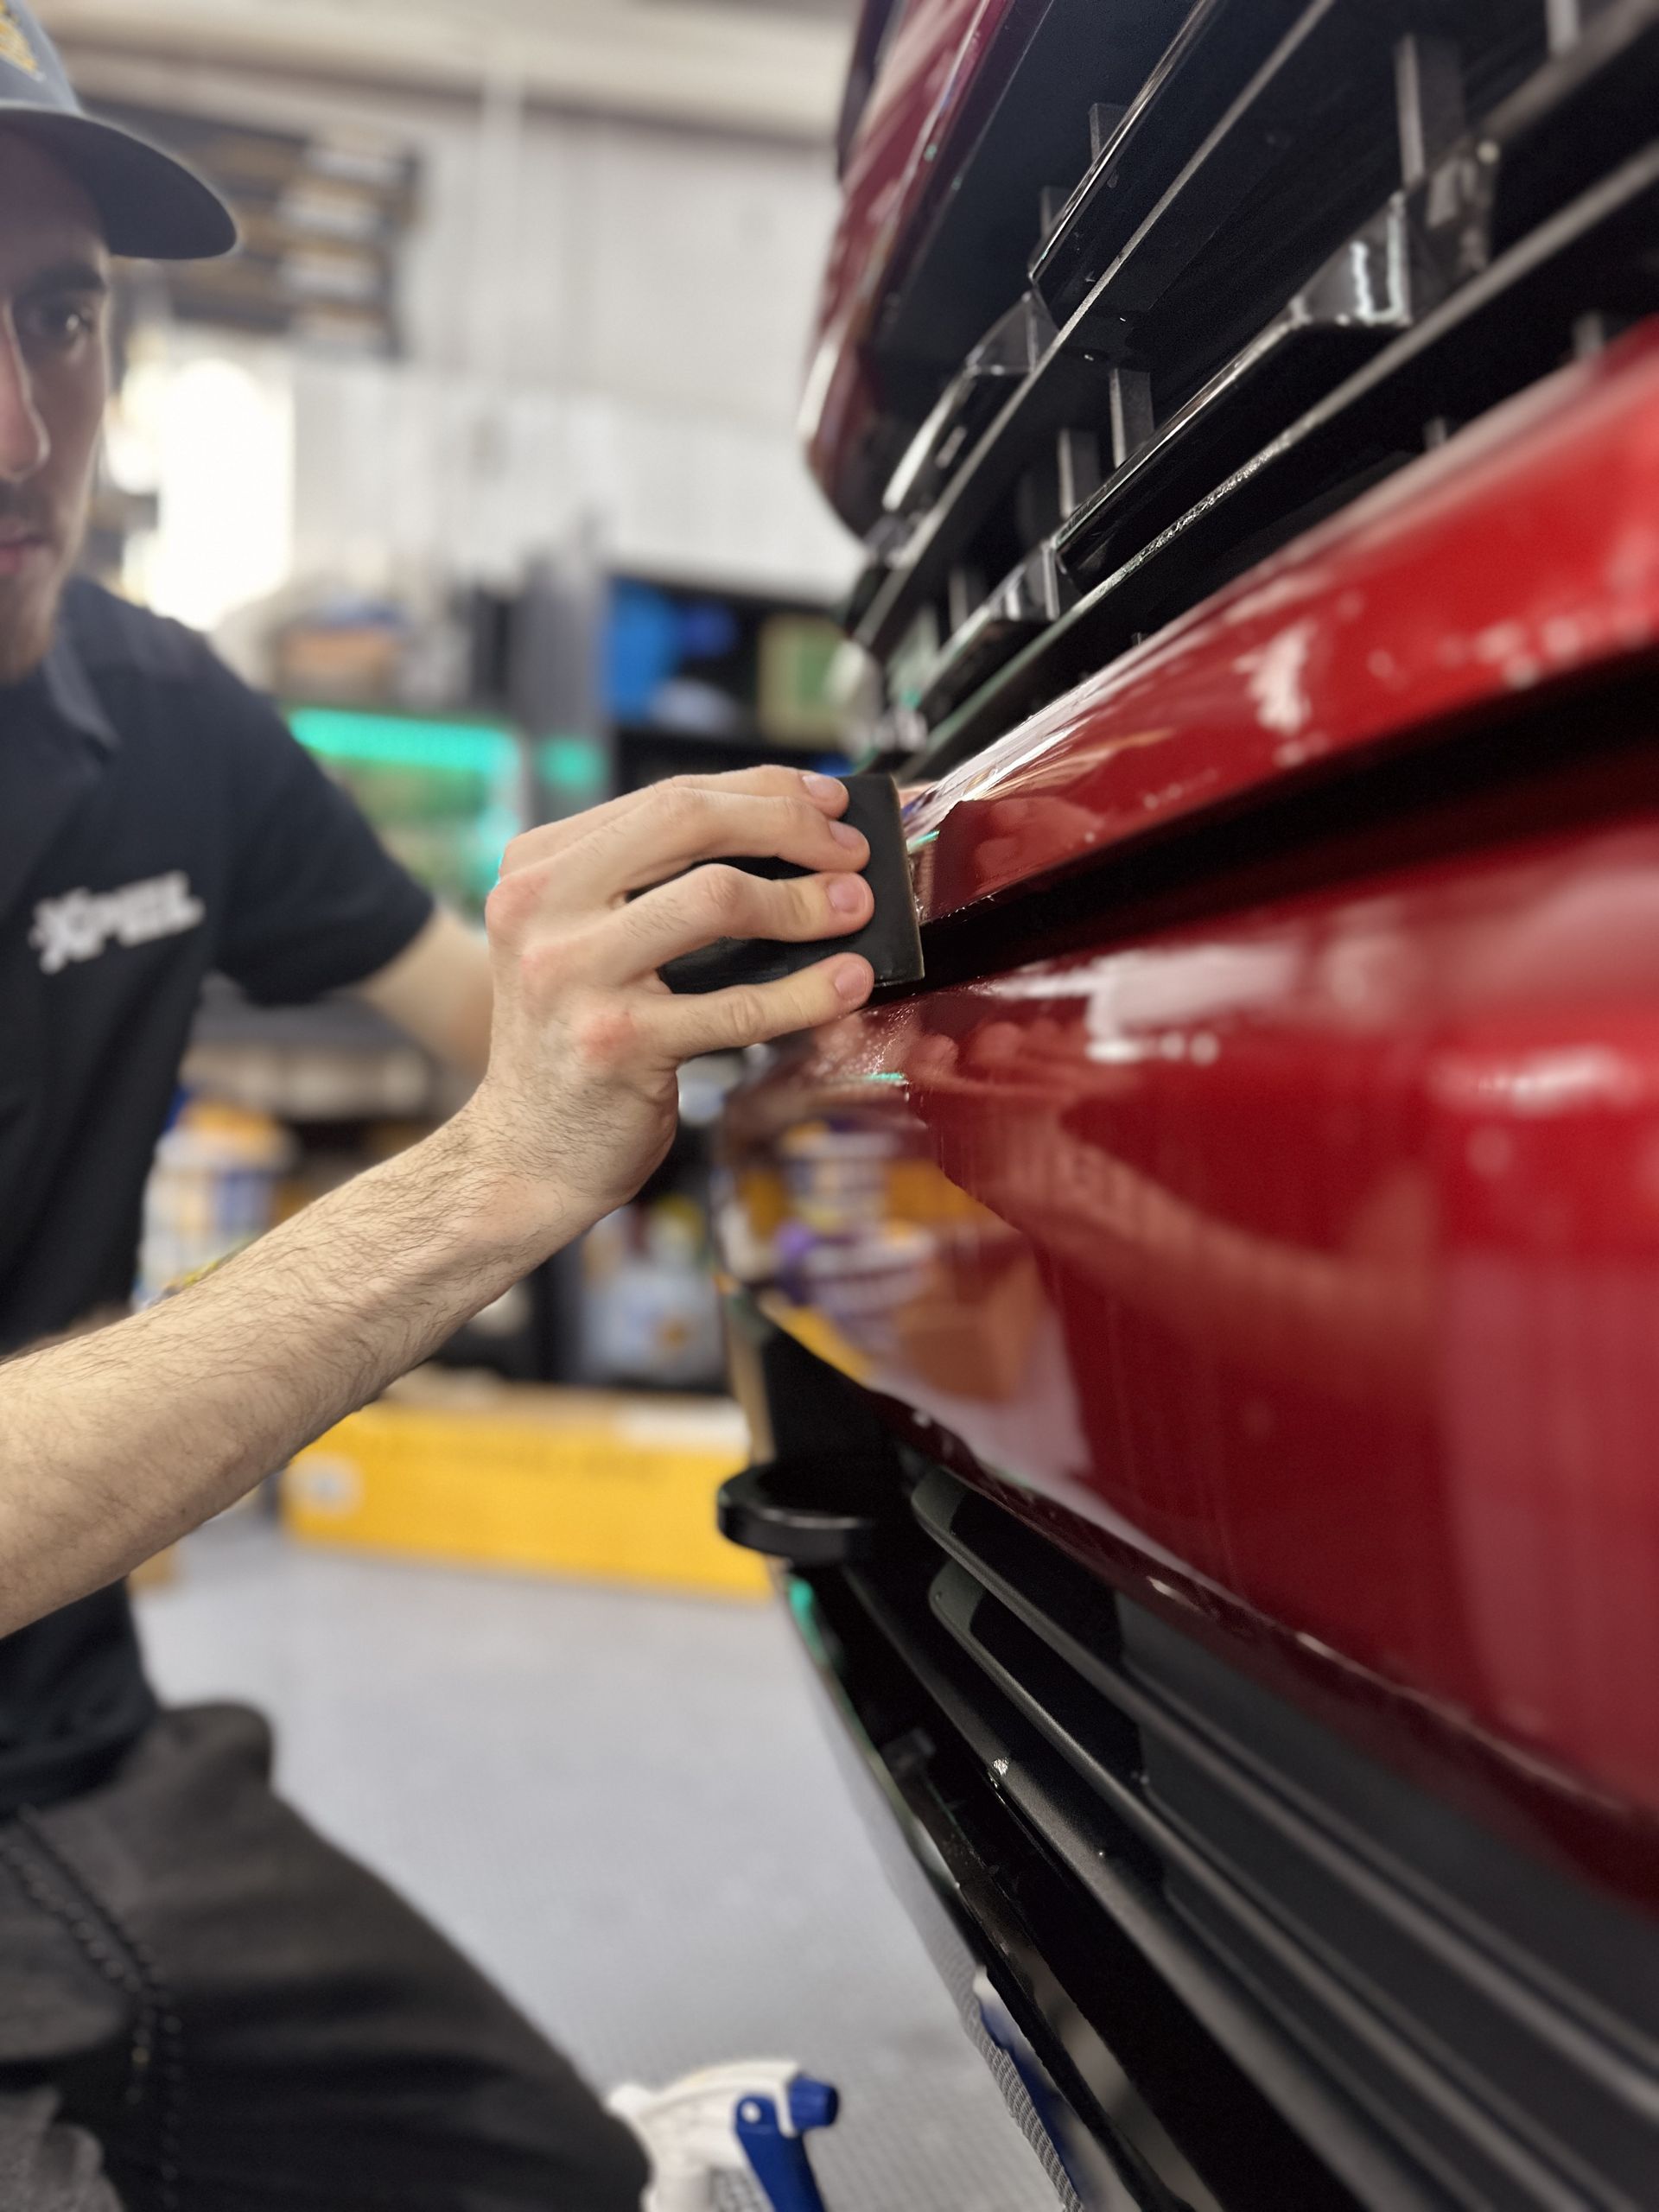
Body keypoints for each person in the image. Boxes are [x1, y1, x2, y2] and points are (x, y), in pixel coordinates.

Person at [0, 9, 878, 2207]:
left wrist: (801, 1005)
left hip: (87, 1749)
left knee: (558, 2178)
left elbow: (491, 1006)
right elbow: (502, 1134)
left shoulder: (162, 711)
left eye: (60, 316)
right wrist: (486, 1186)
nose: (22, 431)